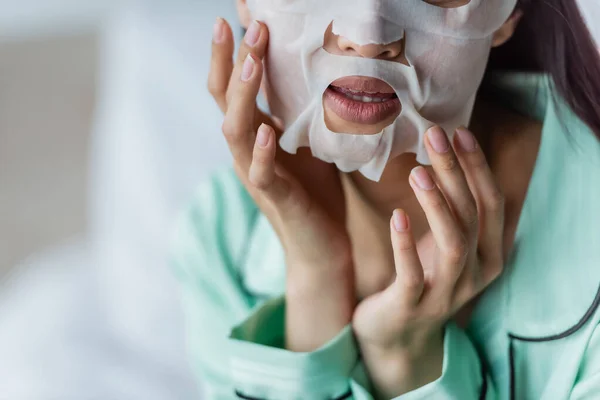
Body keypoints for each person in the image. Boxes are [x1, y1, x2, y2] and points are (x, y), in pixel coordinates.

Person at [172, 0, 600, 399]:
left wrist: (405, 357)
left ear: (509, 14)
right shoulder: (220, 237)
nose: (368, 38)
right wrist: (316, 278)